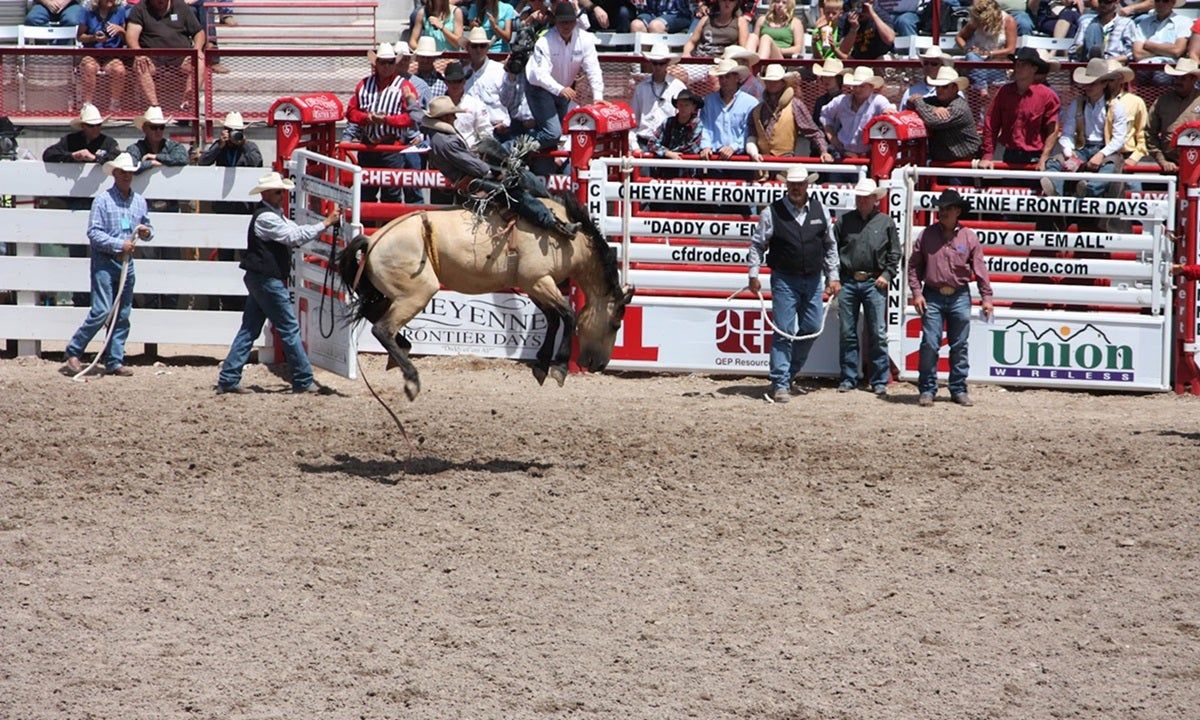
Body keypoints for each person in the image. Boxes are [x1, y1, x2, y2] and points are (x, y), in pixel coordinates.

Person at [216, 172, 341, 395]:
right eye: (277, 192)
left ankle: (229, 378)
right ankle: (303, 379)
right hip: (267, 279)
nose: (281, 195)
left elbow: (295, 233)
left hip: (261, 277)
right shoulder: (268, 218)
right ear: (265, 193)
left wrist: (322, 225)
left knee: (250, 329)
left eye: (281, 192)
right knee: (289, 328)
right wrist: (325, 223)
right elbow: (293, 237)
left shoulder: (272, 215)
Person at [747, 164, 841, 404]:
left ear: (807, 185)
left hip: (812, 279)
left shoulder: (820, 210)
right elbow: (758, 244)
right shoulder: (772, 212)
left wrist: (833, 276)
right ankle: (781, 381)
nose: (796, 188)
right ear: (786, 185)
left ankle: (787, 374)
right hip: (785, 278)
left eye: (800, 184)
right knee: (784, 330)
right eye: (793, 185)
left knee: (812, 327)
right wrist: (753, 272)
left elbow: (830, 245)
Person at [423, 95, 580, 238]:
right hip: (472, 181)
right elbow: (475, 167)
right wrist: (495, 171)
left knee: (522, 176)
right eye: (452, 115)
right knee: (515, 194)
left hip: (472, 177)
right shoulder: (446, 142)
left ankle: (553, 205)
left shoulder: (441, 138)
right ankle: (552, 222)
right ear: (444, 117)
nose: (455, 117)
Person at [61, 152, 154, 378]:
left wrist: (146, 232)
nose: (127, 176)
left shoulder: (139, 202)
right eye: (123, 172)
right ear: (115, 173)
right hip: (105, 261)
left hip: (126, 264)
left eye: (129, 172)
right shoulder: (102, 200)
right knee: (102, 310)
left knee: (122, 313)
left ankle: (114, 360)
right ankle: (74, 350)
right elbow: (93, 233)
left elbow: (149, 229)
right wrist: (119, 244)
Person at [907, 189, 993, 407]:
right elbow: (913, 266)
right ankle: (928, 389)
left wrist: (986, 297)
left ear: (957, 211)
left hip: (959, 294)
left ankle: (958, 388)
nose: (942, 212)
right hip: (933, 294)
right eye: (941, 208)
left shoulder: (969, 237)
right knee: (930, 343)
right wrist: (916, 293)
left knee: (959, 344)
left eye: (947, 208)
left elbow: (980, 269)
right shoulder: (926, 235)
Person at [835, 178, 898, 396]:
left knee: (877, 332)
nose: (862, 201)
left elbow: (895, 253)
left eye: (866, 197)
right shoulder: (844, 222)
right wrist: (835, 278)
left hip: (874, 281)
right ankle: (849, 377)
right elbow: (832, 250)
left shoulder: (886, 223)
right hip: (849, 280)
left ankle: (878, 379)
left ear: (874, 199)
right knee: (847, 332)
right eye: (860, 197)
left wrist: (887, 274)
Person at [344, 42, 421, 204]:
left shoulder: (405, 86)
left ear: (395, 64)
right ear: (376, 64)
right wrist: (367, 118)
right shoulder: (363, 85)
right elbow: (351, 112)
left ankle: (389, 221)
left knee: (391, 194)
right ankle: (366, 221)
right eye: (383, 62)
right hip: (368, 146)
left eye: (390, 62)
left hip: (391, 147)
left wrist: (387, 120)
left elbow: (411, 118)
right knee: (365, 193)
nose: (387, 66)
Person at [1040, 57, 1129, 198]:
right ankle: (1055, 191)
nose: (1087, 87)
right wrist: (1069, 151)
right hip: (1081, 148)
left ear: (1104, 84)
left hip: (1106, 150)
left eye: (1092, 83)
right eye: (1086, 83)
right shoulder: (1077, 103)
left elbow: (1119, 139)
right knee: (1054, 162)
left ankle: (1088, 189)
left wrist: (1101, 154)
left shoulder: (1116, 106)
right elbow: (1067, 133)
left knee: (1110, 168)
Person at [525, 2, 603, 152]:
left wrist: (598, 97)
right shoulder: (544, 41)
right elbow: (539, 75)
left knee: (562, 131)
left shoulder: (585, 39)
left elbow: (593, 69)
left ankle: (528, 152)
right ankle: (513, 147)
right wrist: (560, 89)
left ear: (575, 22)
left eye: (569, 21)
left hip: (562, 89)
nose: (566, 25)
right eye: (562, 22)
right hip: (539, 88)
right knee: (553, 133)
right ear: (556, 22)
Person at [979, 48, 1061, 170]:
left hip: (1035, 157)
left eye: (1024, 64)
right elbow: (991, 123)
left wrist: (1044, 157)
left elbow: (1053, 129)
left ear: (1034, 69)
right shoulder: (1004, 92)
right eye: (1017, 64)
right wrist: (987, 155)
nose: (1019, 67)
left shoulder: (1047, 96)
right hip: (1010, 155)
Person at [126, 0, 206, 111]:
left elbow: (199, 32)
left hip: (181, 57)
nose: (161, 1)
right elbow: (131, 36)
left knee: (199, 62)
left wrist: (197, 49)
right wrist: (139, 53)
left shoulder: (181, 6)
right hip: (152, 58)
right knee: (141, 64)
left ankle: (187, 104)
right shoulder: (140, 9)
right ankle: (154, 107)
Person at [747, 63, 825, 170]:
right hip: (761, 165)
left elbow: (813, 132)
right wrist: (753, 152)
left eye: (776, 81)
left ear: (783, 83)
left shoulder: (795, 105)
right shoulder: (757, 110)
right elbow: (752, 136)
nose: (772, 84)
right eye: (769, 81)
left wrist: (823, 151)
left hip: (786, 164)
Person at [819, 66, 895, 161]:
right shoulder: (841, 101)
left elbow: (890, 109)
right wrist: (833, 138)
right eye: (855, 86)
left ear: (871, 87)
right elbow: (825, 115)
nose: (857, 89)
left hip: (868, 156)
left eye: (862, 86)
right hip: (842, 153)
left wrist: (888, 111)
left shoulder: (878, 101)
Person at [698, 58, 758, 163]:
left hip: (741, 157)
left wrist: (733, 147)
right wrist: (706, 146)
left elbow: (749, 131)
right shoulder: (708, 100)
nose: (724, 80)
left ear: (737, 78)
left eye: (727, 76)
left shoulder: (750, 103)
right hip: (714, 156)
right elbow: (704, 125)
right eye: (721, 77)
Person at [630, 42, 686, 152]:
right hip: (644, 143)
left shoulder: (678, 87)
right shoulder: (641, 88)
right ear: (651, 63)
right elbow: (633, 121)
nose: (658, 67)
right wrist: (634, 146)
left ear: (667, 63)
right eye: (655, 63)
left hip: (669, 145)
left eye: (662, 63)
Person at [1147, 57, 1200, 172]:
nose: (1177, 81)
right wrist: (1162, 160)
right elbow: (1150, 133)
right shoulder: (1162, 101)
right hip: (1169, 163)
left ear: (1194, 79)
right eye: (1176, 77)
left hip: (1197, 165)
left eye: (1183, 78)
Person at [77, 0, 132, 110]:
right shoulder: (88, 11)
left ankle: (114, 104)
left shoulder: (120, 11)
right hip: (92, 53)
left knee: (119, 70)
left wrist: (121, 30)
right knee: (89, 67)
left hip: (112, 55)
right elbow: (80, 37)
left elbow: (127, 40)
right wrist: (93, 38)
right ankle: (87, 105)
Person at [956, 0, 1018, 94]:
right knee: (971, 56)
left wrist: (989, 53)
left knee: (993, 67)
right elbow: (959, 37)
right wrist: (967, 48)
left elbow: (1011, 50)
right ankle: (982, 88)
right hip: (977, 61)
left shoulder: (1008, 21)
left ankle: (984, 89)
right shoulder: (976, 20)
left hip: (997, 62)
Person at [464, 26, 512, 137]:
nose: (478, 50)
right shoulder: (463, 73)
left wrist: (506, 123)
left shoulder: (499, 71)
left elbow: (511, 99)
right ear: (468, 48)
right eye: (474, 46)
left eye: (482, 46)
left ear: (487, 48)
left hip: (497, 130)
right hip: (470, 131)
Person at [42, 103, 120, 168]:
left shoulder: (109, 142)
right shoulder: (70, 140)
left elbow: (117, 159)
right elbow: (48, 154)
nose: (95, 128)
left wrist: (95, 158)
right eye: (91, 125)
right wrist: (72, 156)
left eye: (98, 125)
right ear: (83, 126)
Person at [645, 89, 703, 171]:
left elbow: (692, 148)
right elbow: (651, 142)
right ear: (677, 106)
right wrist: (668, 153)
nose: (683, 108)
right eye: (681, 105)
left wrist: (666, 152)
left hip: (687, 169)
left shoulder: (697, 124)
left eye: (686, 105)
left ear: (693, 107)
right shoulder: (667, 122)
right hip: (665, 168)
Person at [1133, 0, 1190, 82]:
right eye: (1157, 0)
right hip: (1143, 67)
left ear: (1173, 3)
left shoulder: (1183, 22)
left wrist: (1149, 45)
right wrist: (1166, 50)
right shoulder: (1144, 23)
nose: (1160, 3)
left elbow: (1177, 51)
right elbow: (1138, 54)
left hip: (1169, 67)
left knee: (1161, 78)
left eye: (1165, 1)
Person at [126, 105, 189, 172]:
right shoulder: (136, 148)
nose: (158, 131)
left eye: (161, 127)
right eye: (153, 127)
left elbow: (183, 158)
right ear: (144, 129)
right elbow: (129, 166)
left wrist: (155, 156)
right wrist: (151, 163)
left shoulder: (173, 146)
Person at [683, 0, 751, 59]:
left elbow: (743, 48)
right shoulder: (706, 19)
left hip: (724, 61)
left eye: (731, 0)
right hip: (701, 59)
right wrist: (686, 54)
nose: (727, 2)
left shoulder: (740, 22)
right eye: (724, 0)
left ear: (736, 3)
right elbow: (691, 42)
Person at [1071, 0, 1137, 61]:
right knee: (1094, 28)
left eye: (1107, 2)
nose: (1102, 5)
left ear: (1116, 2)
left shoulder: (1126, 24)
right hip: (1089, 64)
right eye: (1100, 1)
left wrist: (1110, 61)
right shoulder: (1086, 23)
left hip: (1115, 64)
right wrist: (1086, 44)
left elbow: (1131, 54)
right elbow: (1073, 51)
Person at [810, 56, 845, 125]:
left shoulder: (845, 101)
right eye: (824, 76)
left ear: (838, 79)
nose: (826, 80)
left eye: (830, 77)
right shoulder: (820, 101)